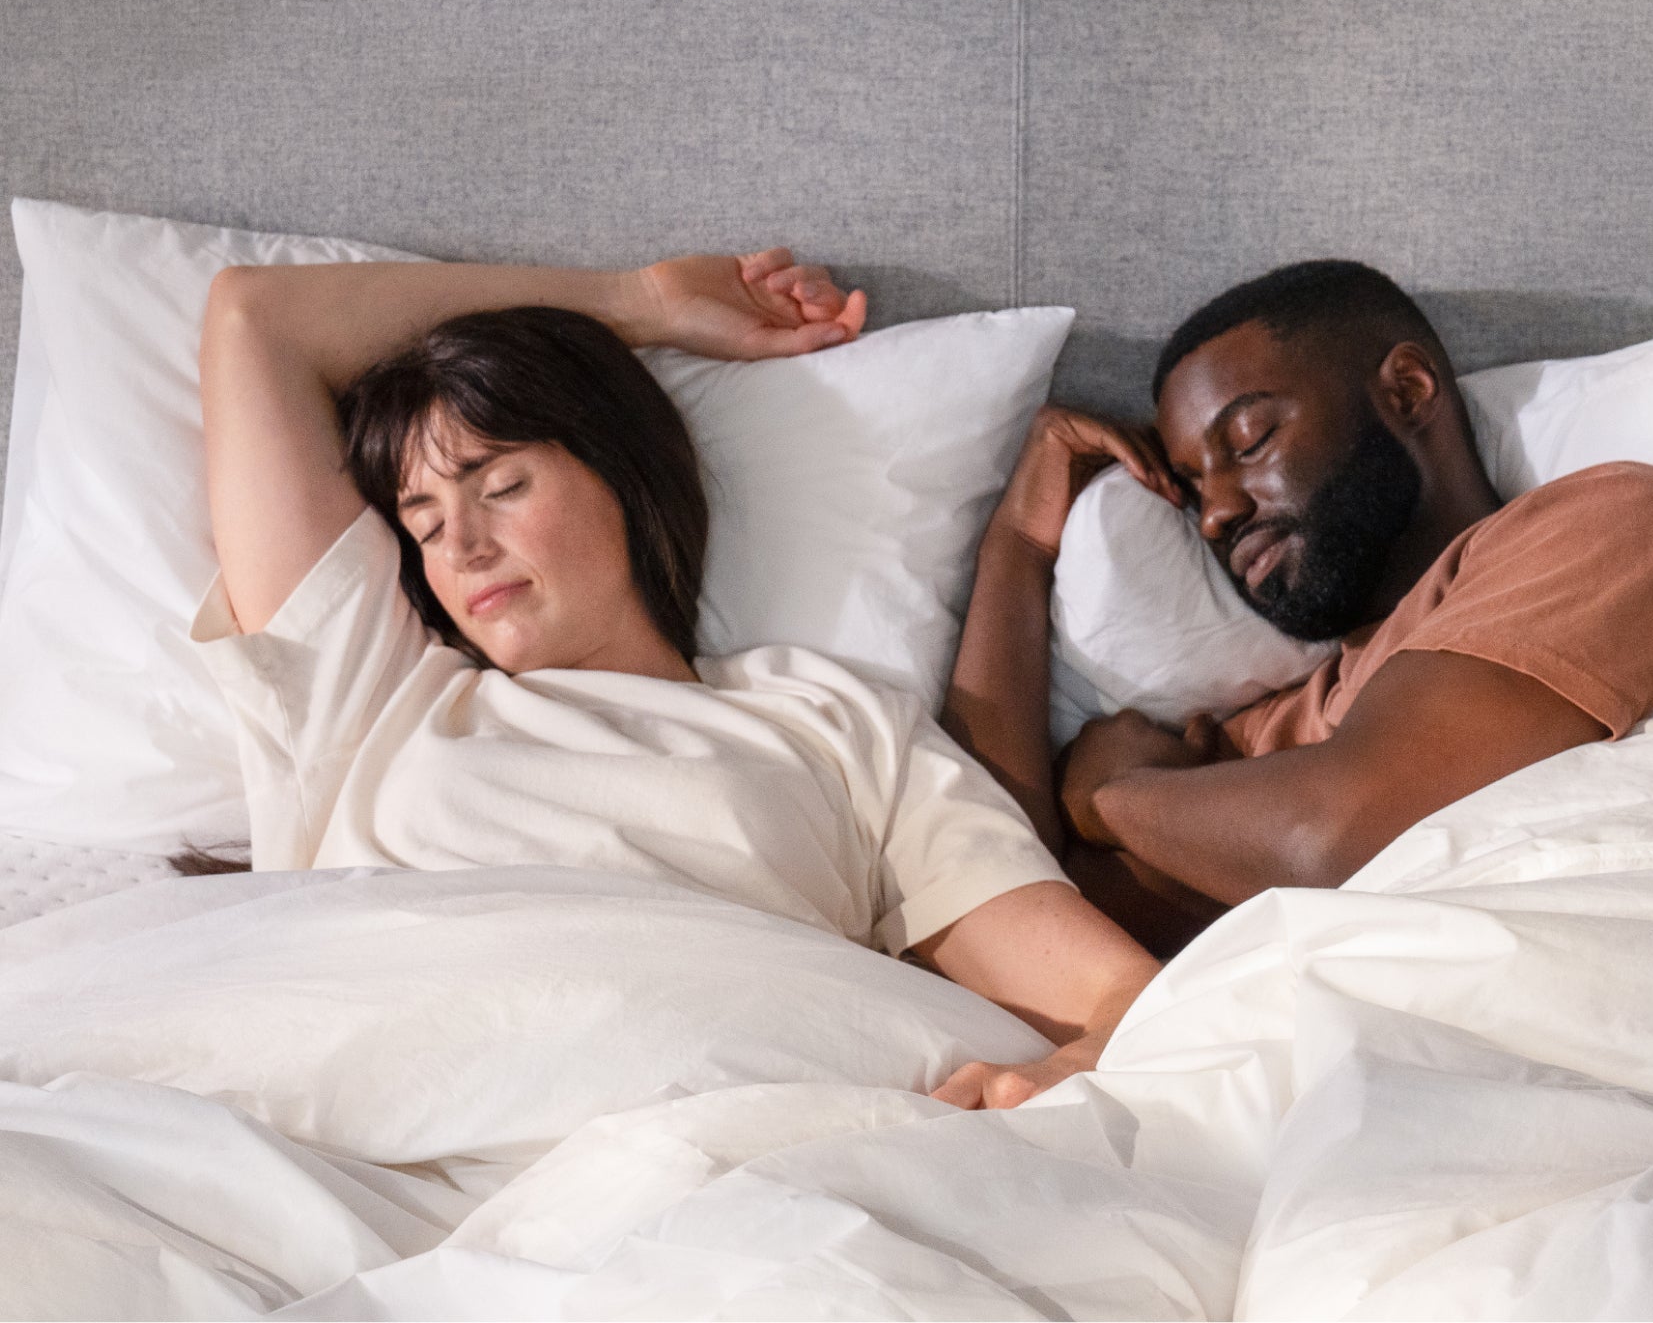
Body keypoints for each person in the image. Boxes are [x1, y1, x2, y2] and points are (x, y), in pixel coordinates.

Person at [192, 247, 1159, 1109]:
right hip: (386, 1126)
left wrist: (1066, 1071)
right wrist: (641, 300)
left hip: (716, 1146)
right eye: (428, 524)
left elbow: (1118, 998)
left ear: (620, 471)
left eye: (501, 485)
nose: (468, 546)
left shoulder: (827, 719)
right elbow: (255, 318)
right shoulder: (375, 696)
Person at [946, 260, 1653, 956]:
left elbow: (1336, 840)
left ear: (1409, 390)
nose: (1215, 513)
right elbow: (998, 896)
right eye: (1194, 487)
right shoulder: (1266, 737)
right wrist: (1018, 545)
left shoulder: (1614, 527)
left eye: (1248, 444)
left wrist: (1115, 798)